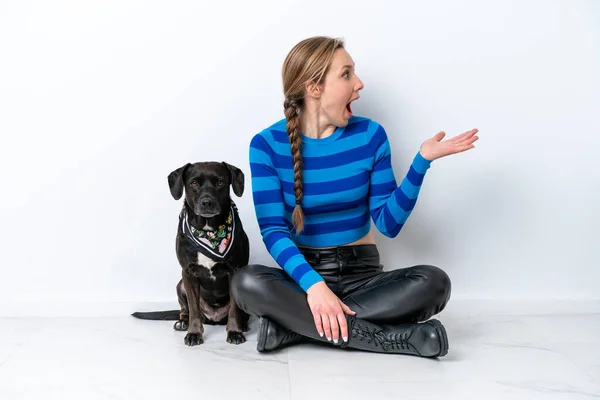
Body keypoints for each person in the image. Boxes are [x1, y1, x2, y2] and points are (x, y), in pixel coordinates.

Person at [230, 36, 478, 357]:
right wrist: (315, 287)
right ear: (314, 88)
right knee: (245, 283)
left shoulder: (370, 135)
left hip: (363, 278)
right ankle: (395, 340)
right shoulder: (265, 145)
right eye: (346, 74)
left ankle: (296, 328)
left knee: (434, 282)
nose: (359, 84)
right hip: (302, 277)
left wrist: (422, 162)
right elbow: (274, 232)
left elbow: (387, 224)